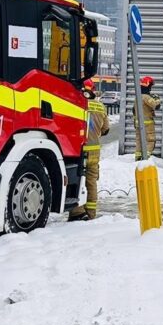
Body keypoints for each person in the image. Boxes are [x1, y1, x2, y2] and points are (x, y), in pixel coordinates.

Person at [69, 79, 110, 221]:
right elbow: (106, 130)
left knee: (77, 179)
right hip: (94, 151)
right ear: (93, 90)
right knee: (91, 181)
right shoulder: (100, 107)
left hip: (78, 151)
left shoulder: (76, 105)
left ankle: (77, 212)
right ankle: (91, 214)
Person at [136, 76, 162, 160]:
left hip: (138, 124)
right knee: (151, 141)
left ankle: (138, 158)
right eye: (151, 86)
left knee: (139, 141)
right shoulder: (146, 97)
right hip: (147, 124)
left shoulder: (138, 97)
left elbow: (133, 111)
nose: (151, 88)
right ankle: (145, 159)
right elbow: (156, 106)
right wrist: (157, 99)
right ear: (148, 86)